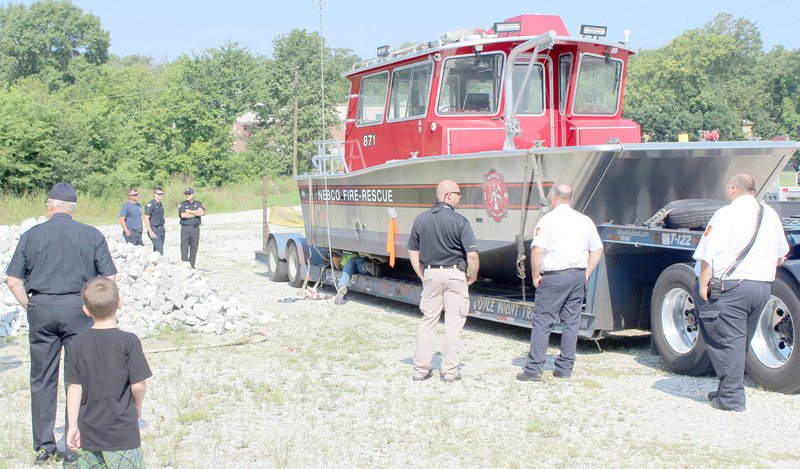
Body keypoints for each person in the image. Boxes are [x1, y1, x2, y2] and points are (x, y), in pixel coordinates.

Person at [4, 182, 117, 466]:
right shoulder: (91, 234)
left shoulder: (31, 236)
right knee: (79, 378)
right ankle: (73, 445)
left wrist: (29, 305)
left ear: (50, 206)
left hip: (42, 309)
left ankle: (44, 445)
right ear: (73, 208)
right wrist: (94, 309)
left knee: (42, 377)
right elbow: (109, 280)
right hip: (79, 310)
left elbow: (13, 280)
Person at [693, 173, 788, 411]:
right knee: (738, 341)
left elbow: (708, 254)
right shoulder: (770, 215)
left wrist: (703, 284)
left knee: (726, 341)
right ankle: (727, 388)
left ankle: (732, 399)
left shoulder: (725, 214)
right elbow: (780, 255)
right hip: (762, 288)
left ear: (734, 188)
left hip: (733, 288)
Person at [517, 184, 603, 382]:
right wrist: (587, 272)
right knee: (572, 323)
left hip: (554, 277)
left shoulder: (548, 220)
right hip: (577, 276)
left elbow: (538, 249)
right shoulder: (585, 220)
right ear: (570, 198)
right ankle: (564, 368)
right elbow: (597, 249)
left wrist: (536, 274)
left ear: (554, 197)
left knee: (542, 321)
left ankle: (533, 369)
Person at [66, 277, 152, 468]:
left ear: (86, 310)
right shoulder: (129, 342)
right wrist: (137, 407)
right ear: (119, 303)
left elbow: (74, 386)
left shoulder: (77, 343)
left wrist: (73, 425)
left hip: (88, 430)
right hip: (121, 432)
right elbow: (138, 385)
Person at [408, 180, 479, 382]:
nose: (460, 197)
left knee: (428, 321)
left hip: (430, 273)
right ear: (448, 196)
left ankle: (420, 370)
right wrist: (472, 275)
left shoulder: (421, 220)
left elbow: (413, 250)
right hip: (455, 274)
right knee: (453, 323)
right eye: (458, 193)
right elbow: (472, 255)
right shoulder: (460, 221)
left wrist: (421, 273)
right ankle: (449, 371)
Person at [178, 187, 205, 268]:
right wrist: (196, 213)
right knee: (184, 247)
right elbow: (183, 215)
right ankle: (185, 265)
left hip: (195, 228)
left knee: (194, 247)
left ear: (193, 194)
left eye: (189, 194)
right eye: (186, 194)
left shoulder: (198, 203)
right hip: (185, 228)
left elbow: (202, 213)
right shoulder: (182, 204)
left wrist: (189, 211)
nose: (187, 195)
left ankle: (192, 265)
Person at [144, 186, 166, 254]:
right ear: (154, 194)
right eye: (159, 194)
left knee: (157, 251)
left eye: (162, 194)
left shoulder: (160, 205)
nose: (161, 195)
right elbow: (146, 217)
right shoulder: (151, 204)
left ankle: (155, 263)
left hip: (161, 229)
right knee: (160, 251)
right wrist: (150, 231)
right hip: (154, 229)